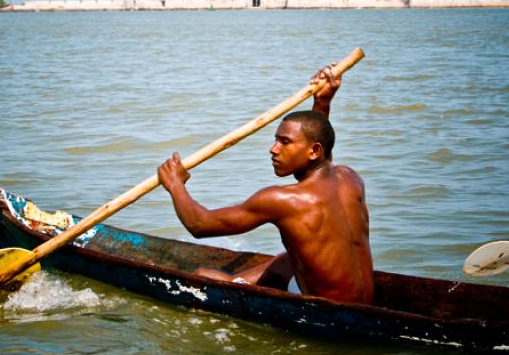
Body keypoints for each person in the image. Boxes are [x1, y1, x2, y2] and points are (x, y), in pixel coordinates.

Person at [157, 65, 374, 305]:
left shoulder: (283, 200)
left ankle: (234, 287)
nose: (273, 149)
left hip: (325, 310)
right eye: (275, 140)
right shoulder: (350, 178)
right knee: (286, 259)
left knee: (200, 276)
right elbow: (320, 147)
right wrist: (322, 103)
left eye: (285, 142)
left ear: (313, 151)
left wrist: (175, 184)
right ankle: (240, 283)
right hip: (365, 299)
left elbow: (199, 224)